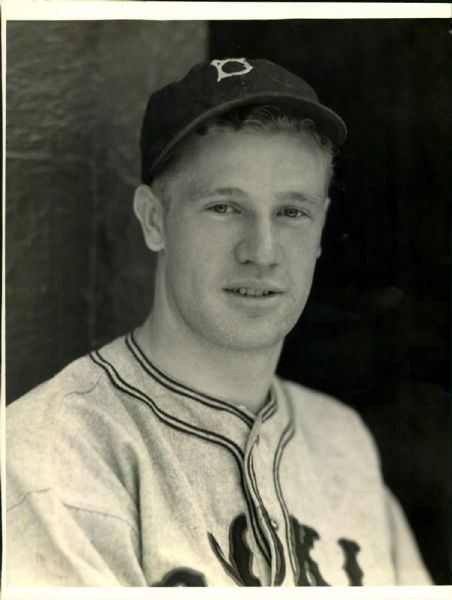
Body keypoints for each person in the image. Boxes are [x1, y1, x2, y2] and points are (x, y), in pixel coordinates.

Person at [5, 58, 431, 587]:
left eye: (291, 213)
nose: (262, 251)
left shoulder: (341, 439)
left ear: (321, 229)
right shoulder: (55, 450)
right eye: (224, 207)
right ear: (155, 220)